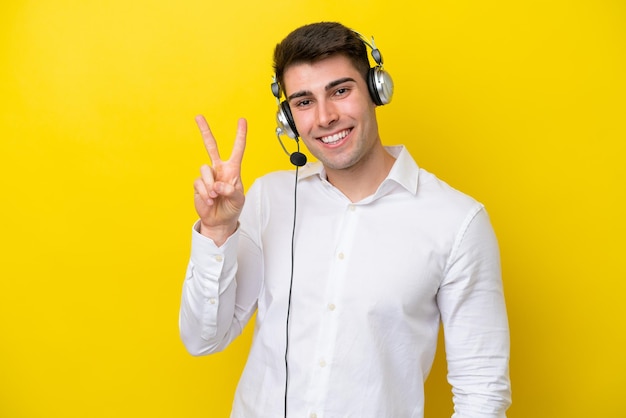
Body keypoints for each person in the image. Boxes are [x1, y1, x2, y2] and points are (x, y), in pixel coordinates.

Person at [179, 21, 511, 418]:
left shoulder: (458, 221)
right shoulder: (268, 198)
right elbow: (203, 339)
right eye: (303, 102)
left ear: (376, 90)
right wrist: (217, 231)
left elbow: (482, 390)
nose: (324, 117)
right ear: (289, 118)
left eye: (340, 91)